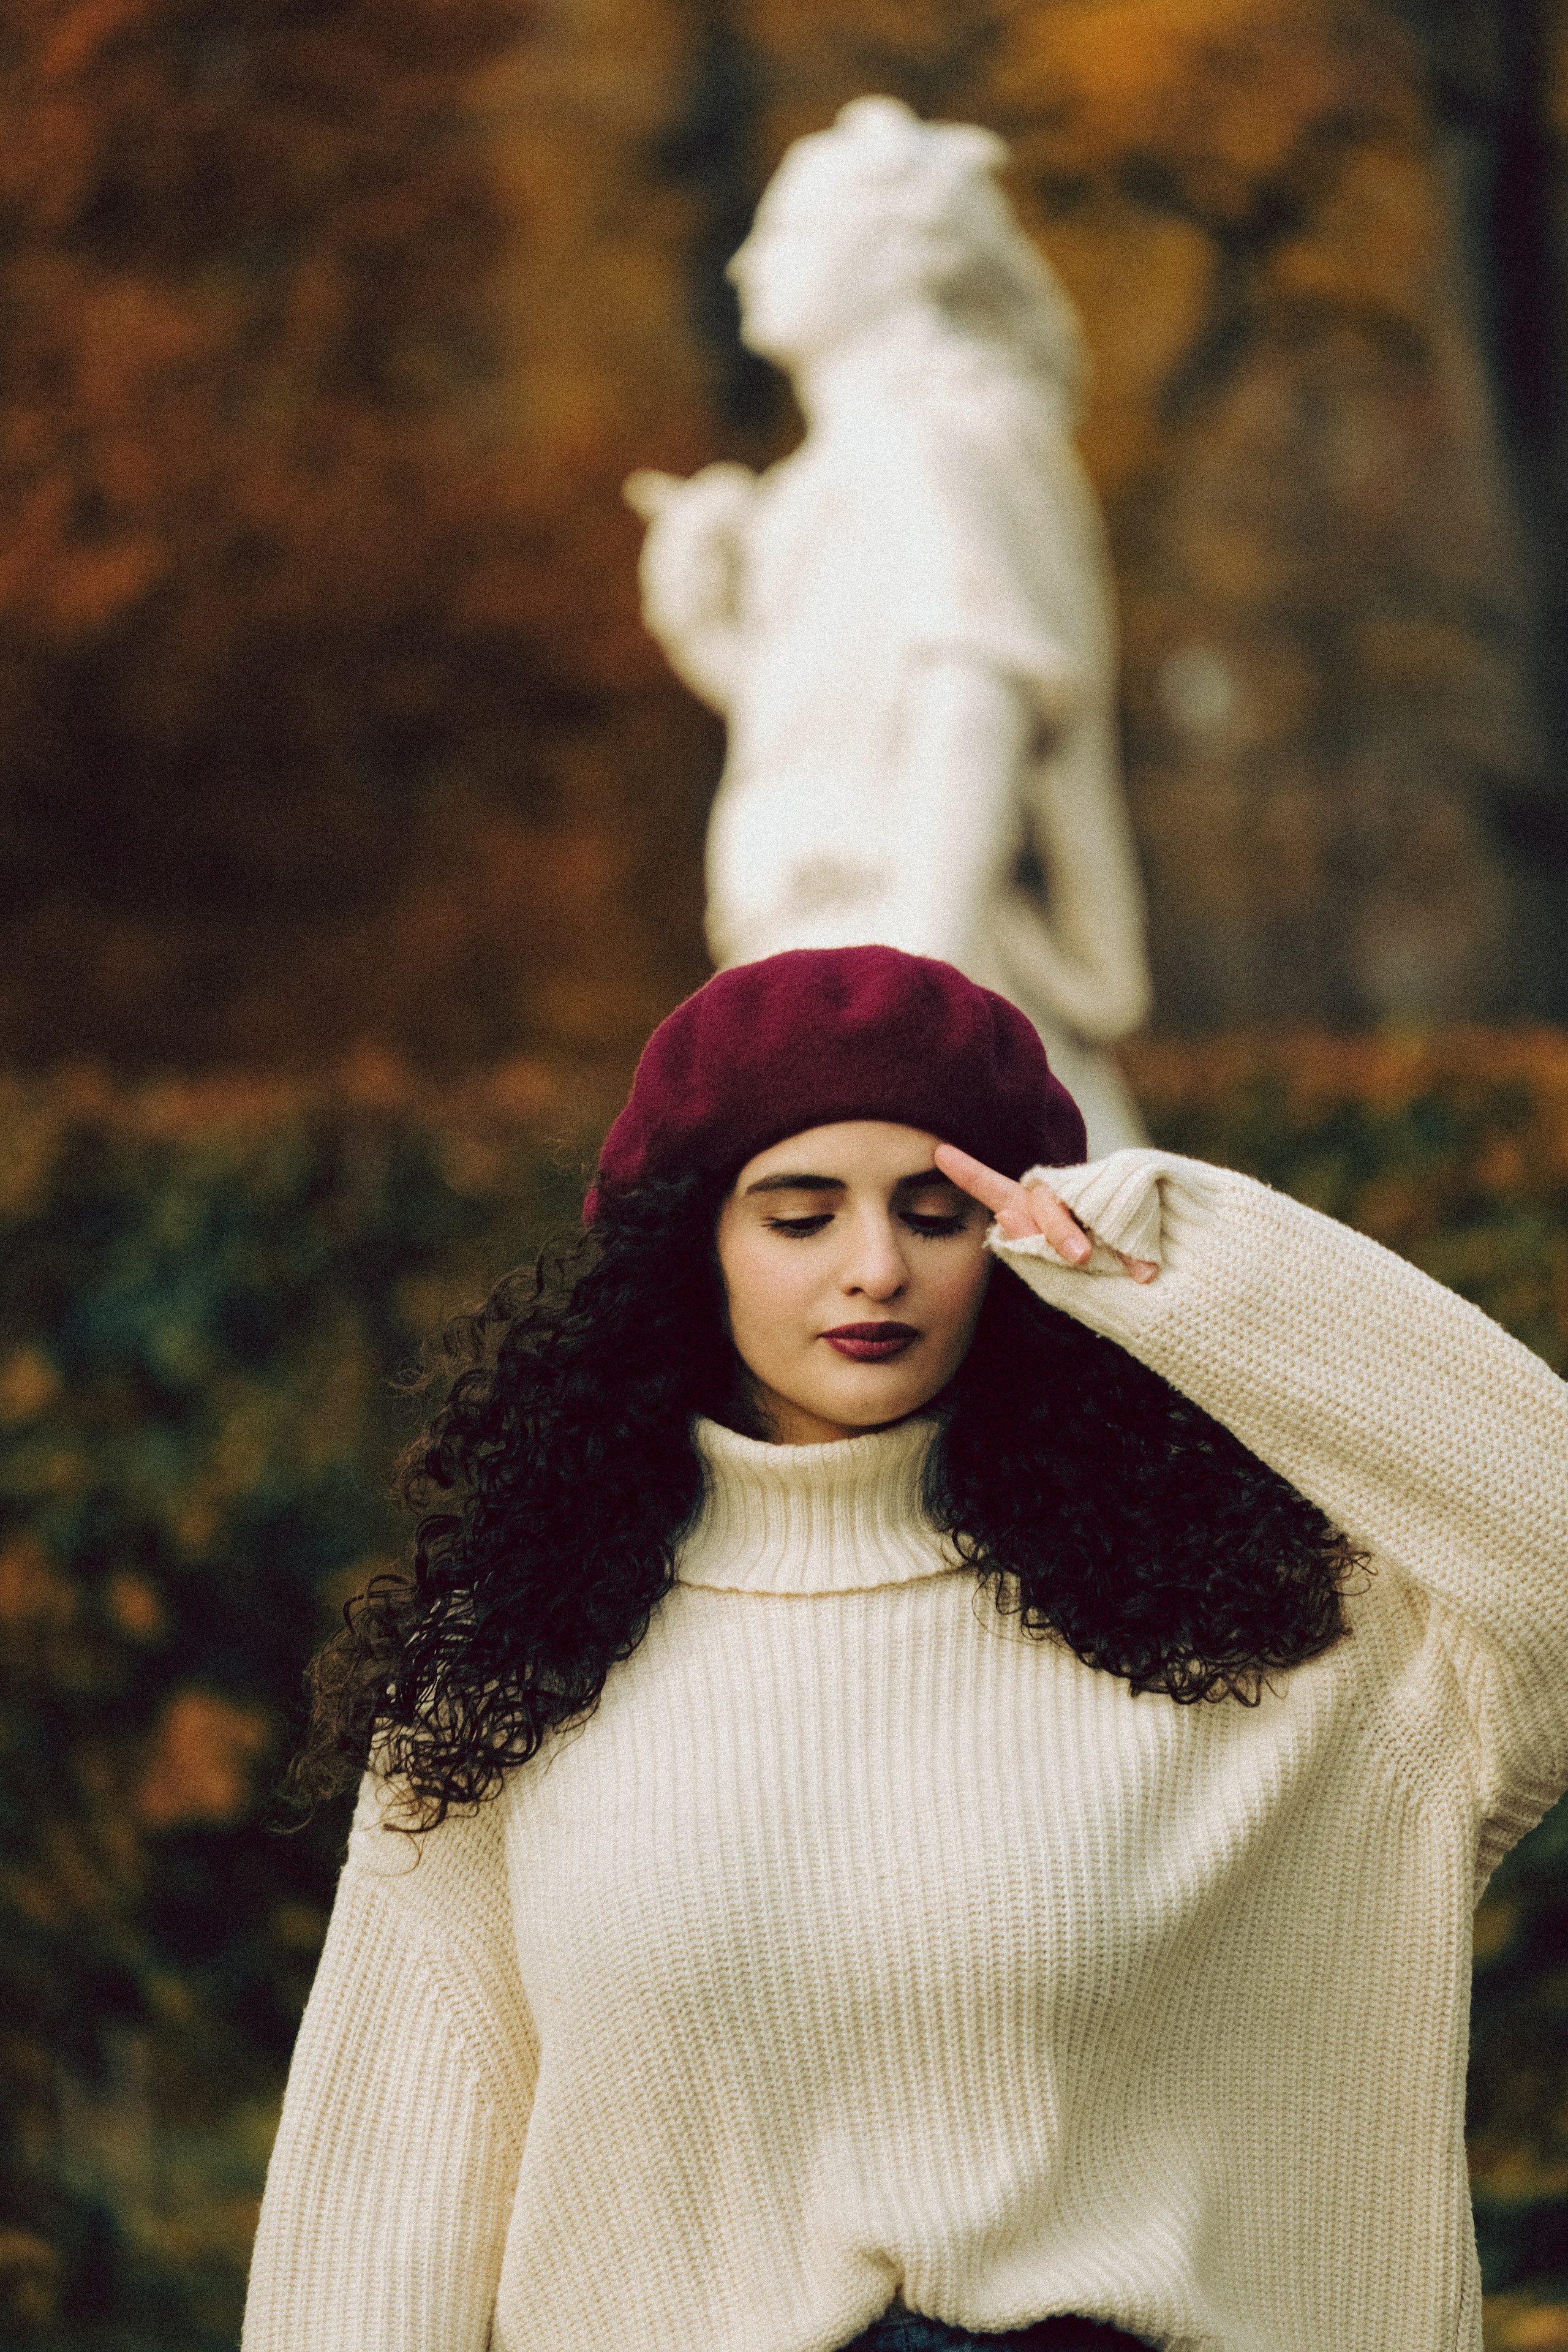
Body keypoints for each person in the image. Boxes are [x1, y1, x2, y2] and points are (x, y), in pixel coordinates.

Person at [244, 945, 1568, 2352]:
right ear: (689, 1247)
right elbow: (385, 2202)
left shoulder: (1258, 1634)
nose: (874, 1269)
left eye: (935, 1213)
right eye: (798, 1217)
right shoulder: (515, 1663)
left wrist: (1173, 1256)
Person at [626, 97, 1151, 1155]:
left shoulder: (924, 441)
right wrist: (704, 630)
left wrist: (917, 997)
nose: (748, 263)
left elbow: (976, 704)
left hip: (895, 954)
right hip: (826, 961)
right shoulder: (839, 471)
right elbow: (847, 734)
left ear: (895, 257)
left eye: (790, 233)